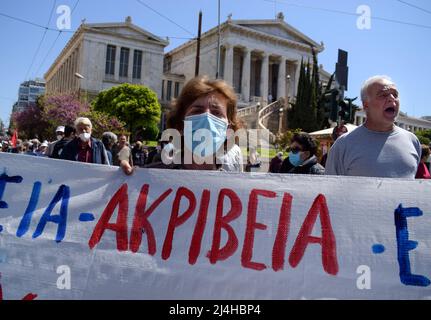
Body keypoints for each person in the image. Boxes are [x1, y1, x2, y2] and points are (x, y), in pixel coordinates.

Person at [325, 75, 421, 178]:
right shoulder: (343, 145)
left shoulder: (412, 141)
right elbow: (329, 190)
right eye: (383, 95)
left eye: (395, 94)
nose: (392, 99)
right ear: (366, 105)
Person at [144, 76, 243, 171]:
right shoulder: (148, 179)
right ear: (180, 125)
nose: (207, 118)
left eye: (216, 112)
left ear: (228, 129)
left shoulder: (234, 184)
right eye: (197, 111)